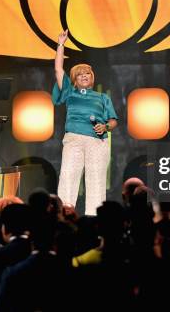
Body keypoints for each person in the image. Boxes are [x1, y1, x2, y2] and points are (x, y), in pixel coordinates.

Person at [52, 30, 118, 216]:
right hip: (73, 139)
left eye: (87, 73)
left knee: (96, 180)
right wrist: (60, 45)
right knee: (67, 177)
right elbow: (58, 70)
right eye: (79, 74)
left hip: (97, 141)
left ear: (92, 77)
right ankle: (64, 216)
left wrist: (105, 126)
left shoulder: (102, 97)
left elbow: (113, 121)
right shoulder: (69, 92)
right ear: (73, 80)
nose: (84, 75)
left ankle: (94, 220)